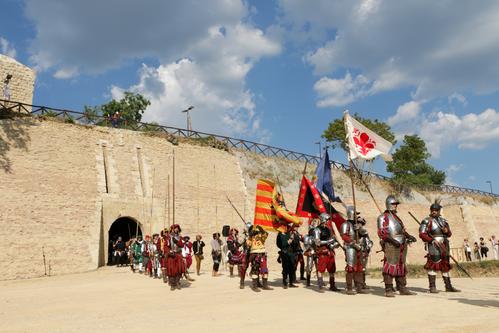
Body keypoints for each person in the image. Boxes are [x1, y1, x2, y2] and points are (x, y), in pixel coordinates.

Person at [377, 195, 417, 297]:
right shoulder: (382, 217)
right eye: (393, 204)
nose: (395, 206)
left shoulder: (396, 217)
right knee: (390, 265)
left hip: (402, 243)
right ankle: (389, 289)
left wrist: (409, 236)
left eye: (396, 204)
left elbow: (402, 231)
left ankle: (402, 288)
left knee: (401, 265)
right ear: (388, 204)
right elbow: (382, 233)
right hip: (390, 244)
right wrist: (393, 241)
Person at [419, 203, 460, 293]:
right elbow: (422, 234)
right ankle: (432, 287)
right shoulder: (427, 221)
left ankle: (448, 286)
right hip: (433, 244)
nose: (434, 211)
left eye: (436, 210)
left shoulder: (443, 221)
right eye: (432, 210)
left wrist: (447, 231)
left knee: (445, 265)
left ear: (439, 211)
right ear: (430, 210)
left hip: (444, 244)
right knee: (433, 264)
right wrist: (431, 240)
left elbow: (449, 234)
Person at [341, 207, 369, 295]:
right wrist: (353, 244)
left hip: (359, 247)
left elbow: (364, 234)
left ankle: (359, 287)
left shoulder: (356, 225)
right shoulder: (345, 224)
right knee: (351, 268)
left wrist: (359, 229)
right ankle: (349, 288)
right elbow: (344, 236)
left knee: (359, 268)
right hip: (350, 247)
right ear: (351, 214)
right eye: (355, 214)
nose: (356, 216)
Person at [247, 225, 272, 292]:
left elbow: (266, 234)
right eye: (256, 232)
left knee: (264, 269)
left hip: (262, 253)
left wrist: (261, 229)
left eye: (258, 232)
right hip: (254, 254)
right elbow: (248, 244)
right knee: (255, 269)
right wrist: (250, 235)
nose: (257, 234)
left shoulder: (262, 237)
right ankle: (255, 286)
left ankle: (265, 285)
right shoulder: (251, 237)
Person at [276, 224, 300, 289]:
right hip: (285, 253)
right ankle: (285, 282)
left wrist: (295, 236)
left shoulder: (290, 234)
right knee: (285, 268)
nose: (287, 228)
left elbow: (296, 243)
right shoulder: (280, 235)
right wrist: (288, 242)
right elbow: (279, 244)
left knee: (292, 268)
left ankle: (291, 283)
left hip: (292, 253)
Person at [166, 224, 186, 290]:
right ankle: (172, 284)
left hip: (178, 255)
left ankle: (177, 282)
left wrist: (177, 241)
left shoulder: (180, 237)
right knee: (171, 270)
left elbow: (182, 245)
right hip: (171, 256)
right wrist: (169, 252)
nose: (176, 229)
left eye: (177, 228)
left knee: (179, 270)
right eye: (175, 228)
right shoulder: (168, 237)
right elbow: (165, 247)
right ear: (172, 229)